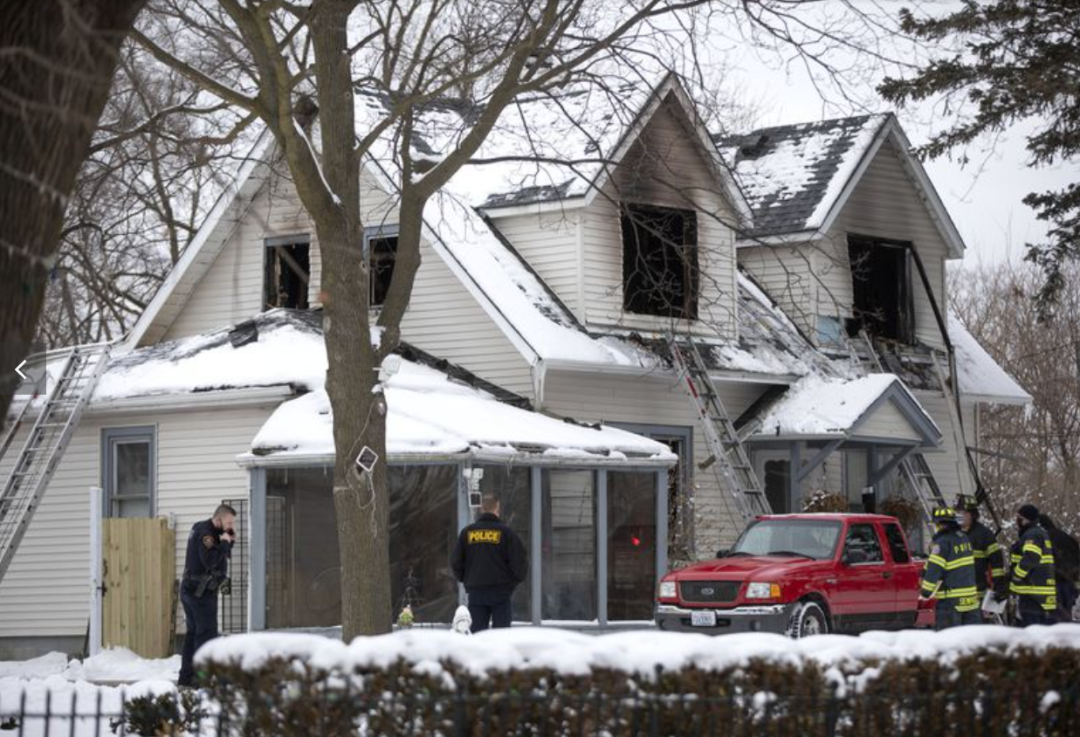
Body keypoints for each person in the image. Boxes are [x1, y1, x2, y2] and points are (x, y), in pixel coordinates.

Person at [450, 493, 528, 633]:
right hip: (501, 592)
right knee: (501, 637)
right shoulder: (506, 533)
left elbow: (456, 562)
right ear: (497, 508)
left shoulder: (467, 533)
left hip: (476, 593)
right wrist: (511, 583)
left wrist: (466, 578)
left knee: (478, 636)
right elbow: (520, 562)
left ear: (481, 509)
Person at [178, 504, 236, 687]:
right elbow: (210, 560)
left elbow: (218, 556)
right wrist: (225, 543)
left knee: (193, 634)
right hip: (200, 594)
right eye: (228, 522)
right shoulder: (206, 534)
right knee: (206, 637)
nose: (230, 526)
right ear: (218, 519)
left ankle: (186, 679)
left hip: (193, 590)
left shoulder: (202, 527)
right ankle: (201, 682)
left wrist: (228, 541)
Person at [920, 505, 979, 629]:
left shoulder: (942, 542)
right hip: (970, 600)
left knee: (948, 642)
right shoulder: (964, 539)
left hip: (950, 601)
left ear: (941, 525)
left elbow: (935, 567)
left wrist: (925, 591)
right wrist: (923, 571)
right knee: (969, 642)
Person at [1006, 504, 1056, 626]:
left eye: (1019, 518)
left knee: (1030, 633)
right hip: (1039, 594)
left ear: (1026, 519)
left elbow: (1031, 557)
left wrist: (1017, 575)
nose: (1016, 521)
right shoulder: (1039, 533)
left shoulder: (1032, 534)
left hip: (1031, 593)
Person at [957, 494, 1007, 614]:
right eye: (957, 512)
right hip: (955, 593)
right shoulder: (951, 534)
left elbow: (996, 562)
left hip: (977, 592)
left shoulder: (984, 534)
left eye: (962, 512)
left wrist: (999, 585)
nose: (958, 516)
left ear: (971, 514)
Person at [1038, 513, 1079, 622]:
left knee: (1054, 618)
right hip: (1070, 583)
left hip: (1054, 583)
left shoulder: (1043, 539)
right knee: (1066, 615)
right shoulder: (1066, 537)